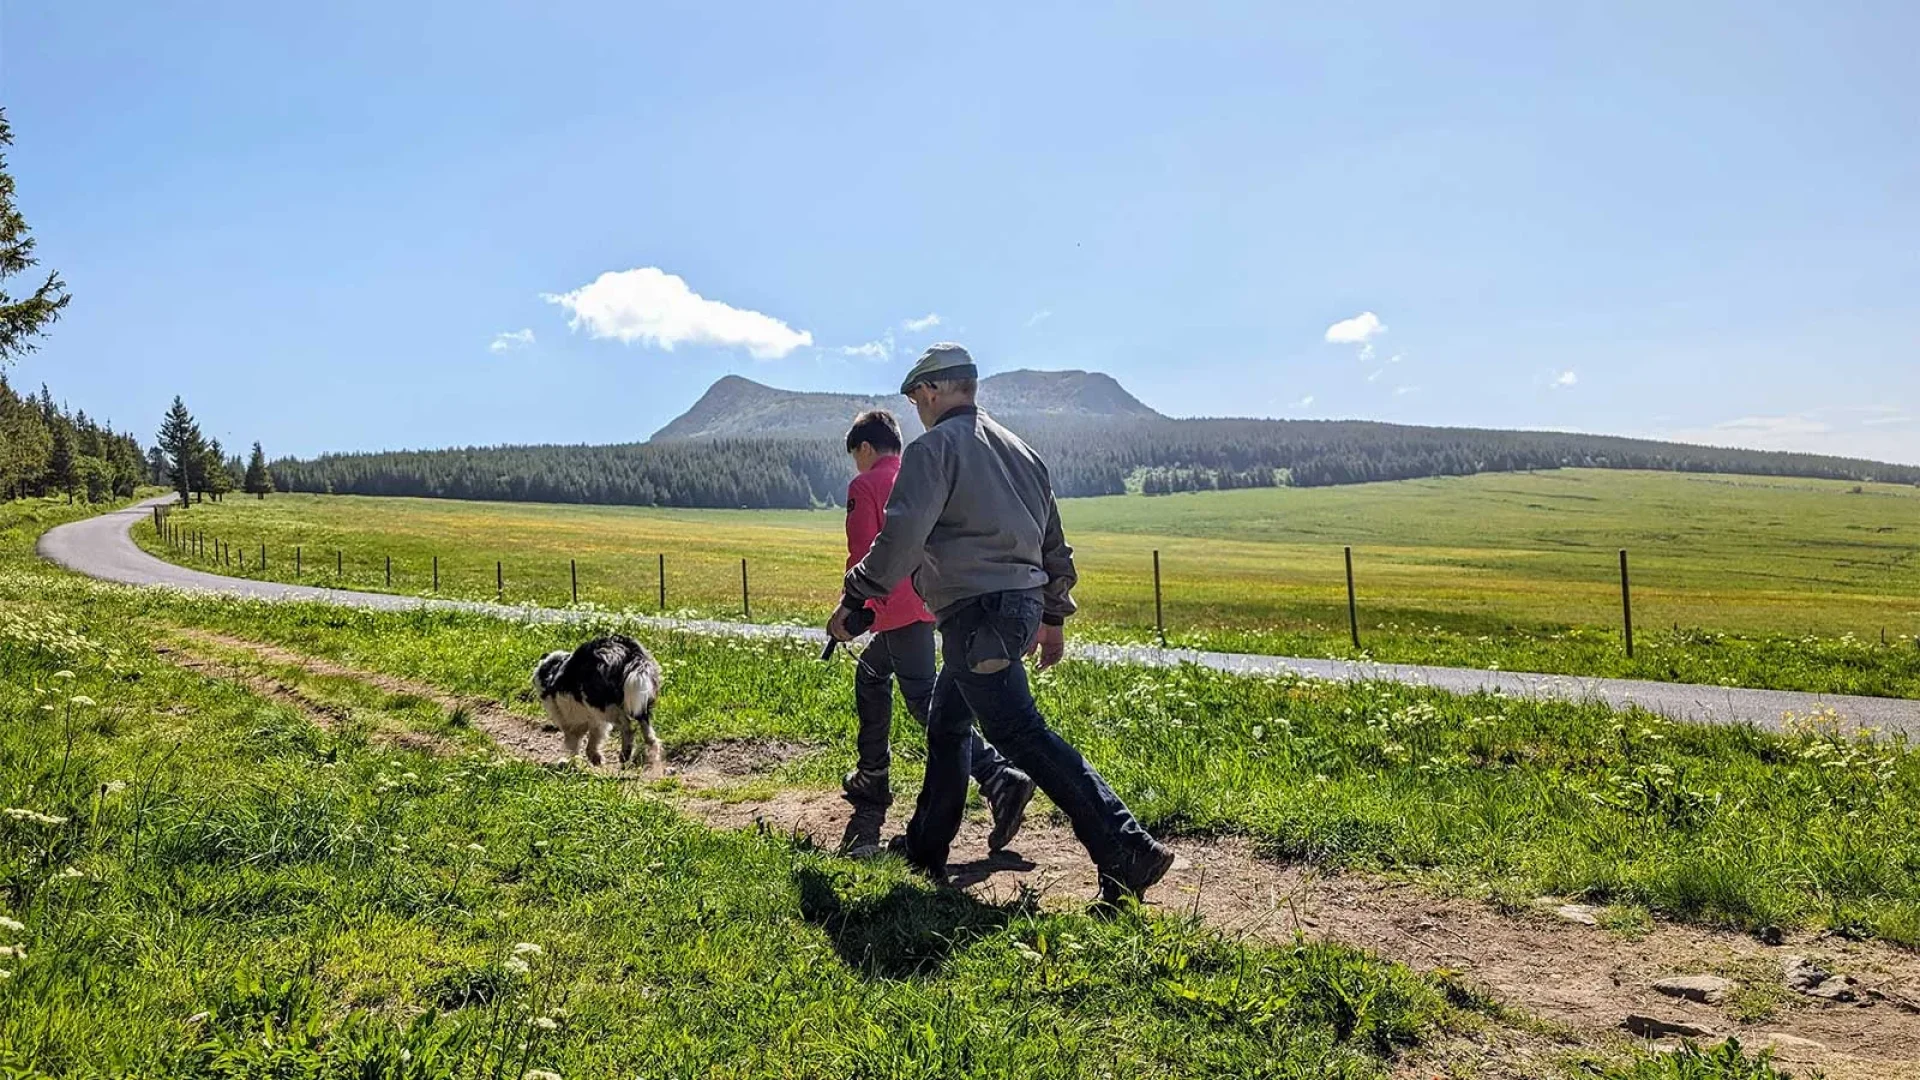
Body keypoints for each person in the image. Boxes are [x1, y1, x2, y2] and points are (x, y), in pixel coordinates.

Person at [829, 344, 1175, 905]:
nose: (918, 407)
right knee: (945, 726)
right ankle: (924, 849)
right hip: (1014, 610)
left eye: (918, 396)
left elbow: (900, 537)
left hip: (975, 614)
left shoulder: (934, 448)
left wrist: (855, 598)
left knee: (1020, 733)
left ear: (934, 391)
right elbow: (1054, 544)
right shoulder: (1022, 451)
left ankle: (1126, 846)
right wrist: (1054, 618)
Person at [838, 409, 1035, 853]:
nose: (856, 464)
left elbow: (864, 553)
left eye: (856, 456)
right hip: (934, 602)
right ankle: (872, 771)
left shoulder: (864, 486)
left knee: (926, 703)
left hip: (895, 609)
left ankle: (997, 776)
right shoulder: (917, 474)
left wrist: (854, 611)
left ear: (865, 449)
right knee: (871, 675)